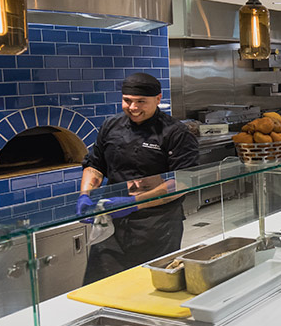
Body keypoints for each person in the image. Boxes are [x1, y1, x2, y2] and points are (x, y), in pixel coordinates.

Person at [78, 73, 199, 284]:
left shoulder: (176, 132)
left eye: (141, 102)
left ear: (158, 99)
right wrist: (85, 195)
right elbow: (95, 165)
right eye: (127, 101)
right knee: (103, 284)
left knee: (149, 287)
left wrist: (134, 203)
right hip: (111, 223)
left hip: (157, 226)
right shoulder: (110, 126)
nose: (133, 107)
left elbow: (182, 182)